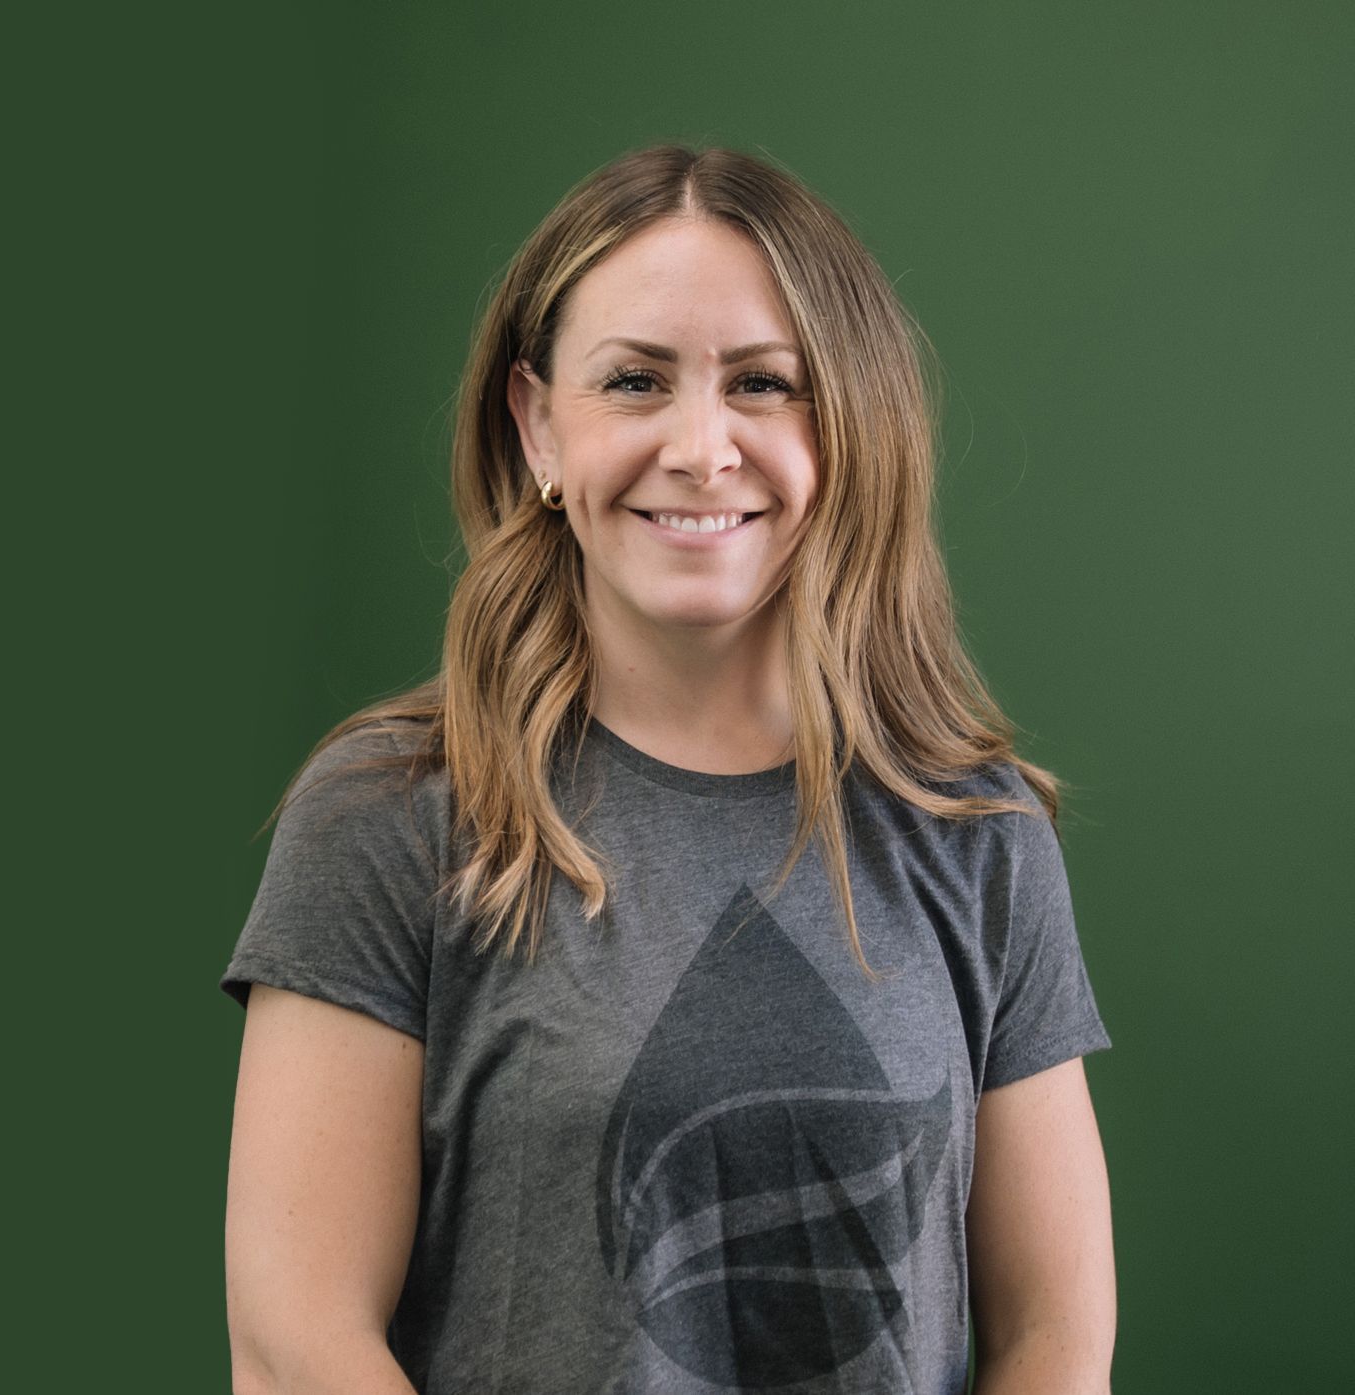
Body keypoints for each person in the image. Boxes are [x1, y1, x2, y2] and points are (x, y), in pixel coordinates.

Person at [220, 144, 1115, 1395]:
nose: (702, 448)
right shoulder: (392, 813)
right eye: (636, 381)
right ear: (537, 423)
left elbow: (1054, 1346)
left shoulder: (975, 830)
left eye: (764, 384)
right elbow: (293, 1345)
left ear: (849, 424)